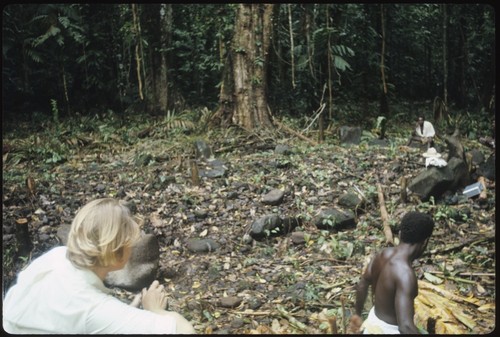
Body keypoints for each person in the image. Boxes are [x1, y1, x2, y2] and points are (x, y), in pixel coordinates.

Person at [3, 198, 195, 334]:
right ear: (116, 253)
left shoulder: (57, 255)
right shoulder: (94, 309)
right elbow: (186, 331)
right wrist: (156, 310)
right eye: (130, 243)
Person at [354, 211, 435, 334]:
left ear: (400, 233)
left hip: (372, 323)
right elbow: (405, 327)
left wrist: (357, 314)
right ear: (425, 242)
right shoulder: (405, 274)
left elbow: (363, 284)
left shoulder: (382, 254)